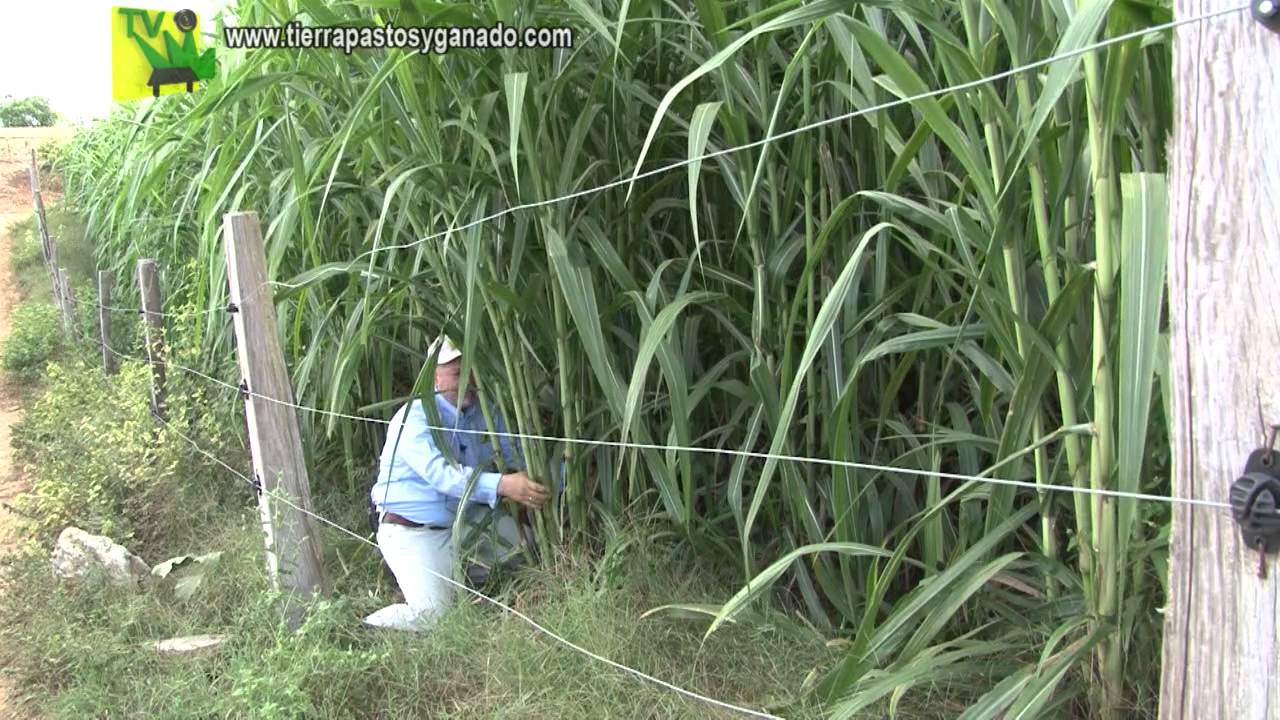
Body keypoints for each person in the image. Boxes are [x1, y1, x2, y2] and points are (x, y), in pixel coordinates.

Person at [363, 335, 549, 631]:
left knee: (528, 550)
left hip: (467, 525)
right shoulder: (414, 419)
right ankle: (366, 625)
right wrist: (503, 485)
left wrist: (562, 477)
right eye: (458, 373)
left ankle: (457, 576)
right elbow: (442, 476)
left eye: (473, 370)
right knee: (434, 618)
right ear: (434, 376)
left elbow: (517, 453)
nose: (469, 379)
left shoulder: (483, 412)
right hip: (414, 530)